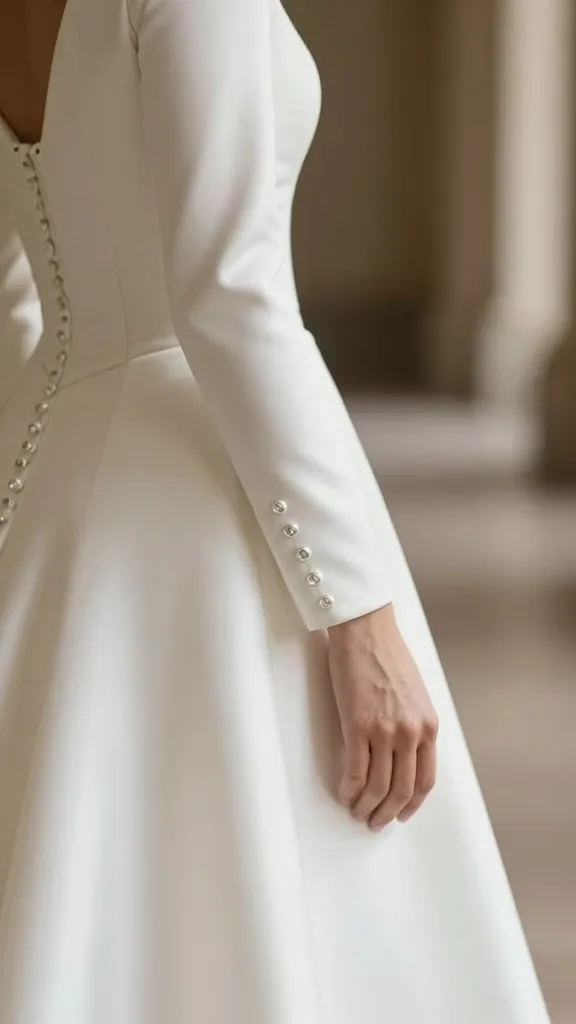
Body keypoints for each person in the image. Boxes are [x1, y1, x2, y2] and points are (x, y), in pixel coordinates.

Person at [0, 0, 550, 1021]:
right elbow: (229, 291)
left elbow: (12, 300)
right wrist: (355, 609)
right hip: (194, 497)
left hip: (57, 480)